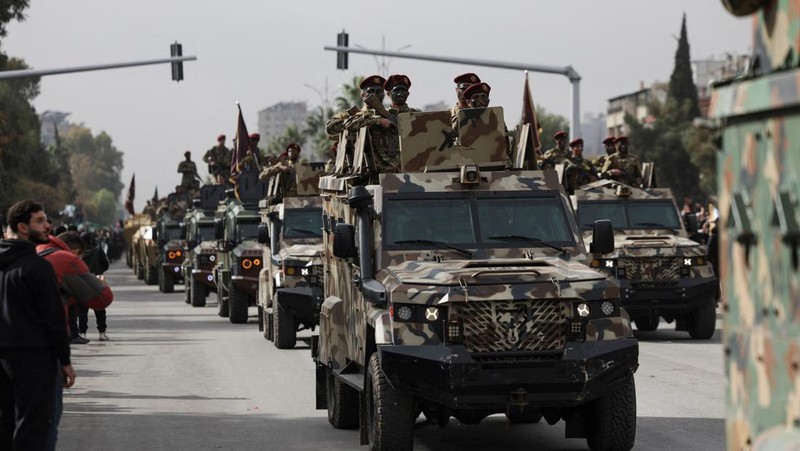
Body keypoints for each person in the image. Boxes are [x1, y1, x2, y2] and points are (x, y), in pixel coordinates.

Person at [0, 200, 75, 451]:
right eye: (40, 220)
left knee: (5, 424)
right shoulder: (37, 268)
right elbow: (53, 319)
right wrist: (64, 361)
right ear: (22, 227)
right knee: (33, 428)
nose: (48, 225)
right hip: (34, 360)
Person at [344, 75, 400, 173]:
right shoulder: (359, 115)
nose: (374, 95)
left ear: (383, 95)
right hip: (367, 172)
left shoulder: (392, 115)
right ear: (363, 95)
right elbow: (349, 125)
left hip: (392, 169)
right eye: (370, 91)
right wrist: (376, 121)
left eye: (378, 91)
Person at [78, 232, 111, 341]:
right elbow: (106, 264)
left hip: (82, 281)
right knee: (100, 307)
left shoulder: (78, 253)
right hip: (98, 280)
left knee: (82, 309)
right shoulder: (98, 251)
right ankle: (102, 332)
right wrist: (99, 271)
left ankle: (82, 332)